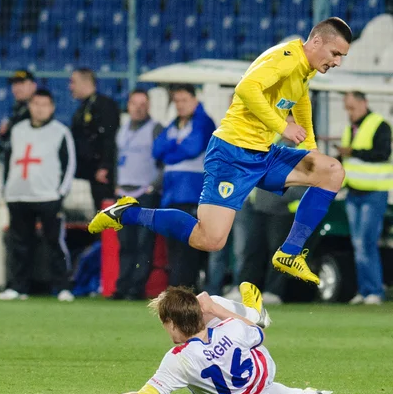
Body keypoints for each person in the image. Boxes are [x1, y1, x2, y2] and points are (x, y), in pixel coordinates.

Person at [89, 17, 353, 286]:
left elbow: (301, 101)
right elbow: (247, 88)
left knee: (331, 171)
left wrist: (308, 146)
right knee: (211, 239)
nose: (337, 62)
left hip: (263, 154)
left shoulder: (303, 68)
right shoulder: (285, 57)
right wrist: (281, 125)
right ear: (316, 41)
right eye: (335, 54)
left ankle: (290, 252)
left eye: (342, 56)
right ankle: (126, 213)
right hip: (232, 155)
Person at [63, 285, 333, 394]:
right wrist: (214, 309)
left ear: (170, 324)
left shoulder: (177, 359)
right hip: (259, 383)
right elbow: (256, 336)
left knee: (230, 325)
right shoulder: (232, 328)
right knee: (226, 309)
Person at [0, 88, 76, 302]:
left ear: (51, 108)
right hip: (18, 195)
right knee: (19, 244)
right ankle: (18, 287)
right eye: (36, 104)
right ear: (30, 106)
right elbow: (8, 160)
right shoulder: (18, 130)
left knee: (54, 243)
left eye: (44, 105)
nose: (39, 109)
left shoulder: (60, 132)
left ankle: (62, 287)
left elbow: (69, 164)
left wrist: (61, 192)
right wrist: (5, 188)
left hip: (48, 195)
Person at [237, 115, 308, 305]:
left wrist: (284, 195)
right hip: (258, 205)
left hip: (284, 211)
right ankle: (244, 289)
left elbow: (305, 184)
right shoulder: (272, 143)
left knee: (276, 253)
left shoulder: (305, 151)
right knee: (251, 250)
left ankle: (273, 292)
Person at [153, 85, 215, 288]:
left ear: (195, 100)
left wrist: (171, 150)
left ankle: (183, 289)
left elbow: (192, 147)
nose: (180, 105)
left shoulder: (204, 122)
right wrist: (175, 146)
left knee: (187, 246)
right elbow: (156, 149)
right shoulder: (175, 124)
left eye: (184, 100)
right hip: (172, 193)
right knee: (174, 245)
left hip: (191, 193)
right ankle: (177, 288)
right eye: (176, 101)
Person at [336, 92, 393, 305]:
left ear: (364, 103)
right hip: (353, 193)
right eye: (347, 109)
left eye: (352, 108)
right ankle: (364, 289)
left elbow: (382, 153)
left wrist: (353, 151)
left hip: (374, 192)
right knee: (358, 244)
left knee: (367, 243)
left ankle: (375, 291)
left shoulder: (380, 125)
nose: (350, 113)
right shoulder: (350, 128)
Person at [113, 89, 163, 301]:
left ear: (149, 106)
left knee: (143, 243)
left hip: (145, 193)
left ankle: (136, 287)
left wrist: (154, 185)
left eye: (143, 103)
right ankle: (122, 285)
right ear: (129, 105)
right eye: (135, 103)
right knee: (125, 242)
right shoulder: (121, 130)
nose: (139, 107)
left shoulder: (156, 129)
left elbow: (164, 162)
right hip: (124, 193)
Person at [70, 68, 121, 212]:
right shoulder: (84, 107)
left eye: (73, 82)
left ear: (86, 82)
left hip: (102, 175)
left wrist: (105, 166)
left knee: (106, 214)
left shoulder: (104, 105)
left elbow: (110, 137)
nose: (70, 87)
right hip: (89, 172)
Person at [0, 69, 37, 164]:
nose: (17, 88)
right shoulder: (16, 109)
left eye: (21, 83)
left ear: (33, 86)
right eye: (14, 84)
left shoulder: (37, 111)